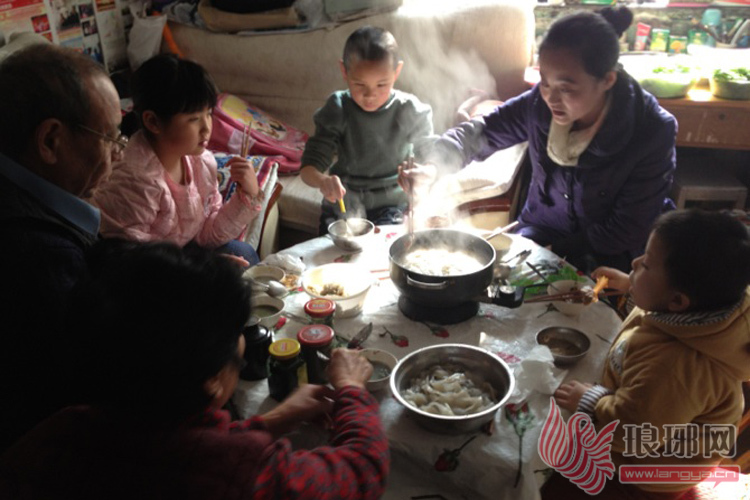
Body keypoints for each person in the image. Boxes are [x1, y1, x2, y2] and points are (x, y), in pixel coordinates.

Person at [0, 241, 390, 499]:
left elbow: (175, 442)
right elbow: (360, 471)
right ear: (214, 380)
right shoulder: (243, 473)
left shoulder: (56, 433)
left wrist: (274, 420)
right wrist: (351, 390)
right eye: (236, 333)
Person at [402, 7, 677, 274]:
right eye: (544, 82)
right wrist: (433, 167)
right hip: (541, 231)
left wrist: (554, 252)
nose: (551, 98)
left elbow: (626, 229)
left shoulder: (652, 131)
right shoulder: (538, 105)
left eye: (566, 88)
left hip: (608, 252)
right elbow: (481, 132)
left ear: (607, 80)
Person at [550, 209, 750, 498]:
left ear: (677, 301)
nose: (634, 262)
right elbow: (656, 312)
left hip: (649, 473)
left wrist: (591, 401)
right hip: (654, 416)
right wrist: (632, 283)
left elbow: (632, 432)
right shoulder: (705, 308)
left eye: (646, 264)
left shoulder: (675, 368)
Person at [0, 43, 122, 450]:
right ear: (51, 140)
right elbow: (89, 390)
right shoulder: (40, 255)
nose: (117, 155)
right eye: (109, 138)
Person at [90, 53, 262, 265]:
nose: (207, 128)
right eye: (194, 119)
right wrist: (202, 267)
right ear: (153, 122)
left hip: (178, 254)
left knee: (243, 252)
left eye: (209, 114)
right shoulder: (135, 180)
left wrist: (248, 193)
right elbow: (132, 261)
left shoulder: (202, 161)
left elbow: (207, 234)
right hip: (140, 268)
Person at [299, 25, 435, 234]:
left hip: (393, 206)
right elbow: (308, 169)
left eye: (381, 85)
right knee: (332, 252)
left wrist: (425, 172)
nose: (370, 95)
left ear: (397, 72)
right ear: (344, 71)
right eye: (359, 84)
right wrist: (323, 181)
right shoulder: (338, 108)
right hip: (343, 206)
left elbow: (434, 158)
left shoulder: (409, 110)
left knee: (385, 249)